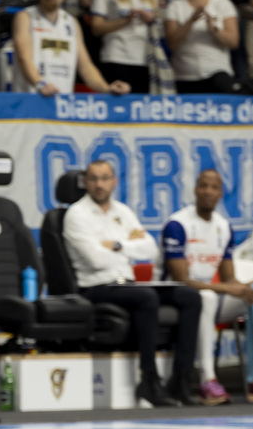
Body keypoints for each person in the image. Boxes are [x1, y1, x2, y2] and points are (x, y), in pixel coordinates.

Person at [63, 158, 201, 407]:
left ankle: (181, 378)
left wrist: (116, 245)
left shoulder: (122, 212)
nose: (99, 184)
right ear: (85, 182)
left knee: (189, 296)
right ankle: (148, 378)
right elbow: (95, 260)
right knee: (145, 297)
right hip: (95, 287)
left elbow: (149, 249)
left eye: (105, 178)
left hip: (125, 283)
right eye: (93, 179)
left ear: (114, 181)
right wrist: (129, 246)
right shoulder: (77, 215)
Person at [164, 169, 253, 405]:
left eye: (214, 187)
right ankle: (207, 380)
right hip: (175, 298)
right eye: (203, 186)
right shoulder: (177, 224)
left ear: (221, 193)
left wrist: (244, 287)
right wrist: (226, 288)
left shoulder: (223, 227)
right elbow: (182, 279)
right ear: (195, 190)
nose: (208, 192)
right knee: (207, 297)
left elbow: (228, 278)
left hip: (209, 298)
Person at [15, 0, 130, 95]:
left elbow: (85, 67)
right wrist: (40, 84)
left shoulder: (71, 22)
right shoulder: (25, 17)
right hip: (31, 98)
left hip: (61, 101)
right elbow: (23, 57)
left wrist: (107, 89)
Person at [88, 0, 161, 93]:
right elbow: (96, 27)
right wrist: (126, 20)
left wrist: (151, 19)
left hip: (145, 58)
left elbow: (159, 23)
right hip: (116, 56)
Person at [163, 0, 240, 93]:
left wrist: (214, 29)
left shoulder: (223, 3)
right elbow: (172, 43)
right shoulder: (175, 6)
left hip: (217, 71)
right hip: (183, 76)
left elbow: (233, 42)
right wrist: (190, 21)